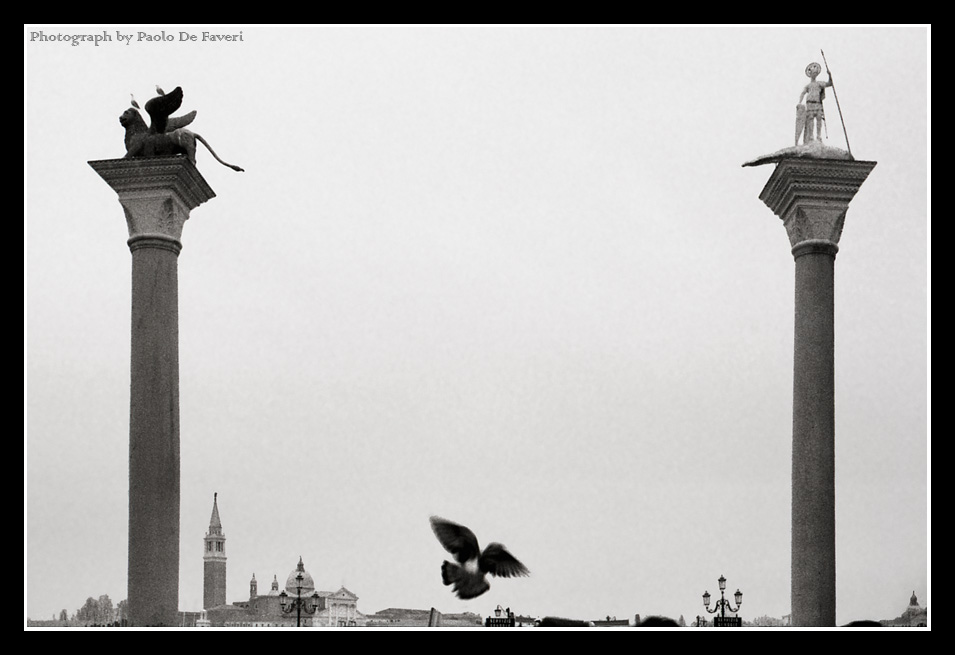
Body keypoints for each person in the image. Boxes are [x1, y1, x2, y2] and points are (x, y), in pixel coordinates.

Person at [797, 62, 833, 144]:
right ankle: (811, 137)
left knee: (819, 118)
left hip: (817, 103)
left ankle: (819, 136)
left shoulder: (819, 83)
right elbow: (802, 93)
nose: (814, 74)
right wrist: (799, 102)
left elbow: (829, 83)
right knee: (810, 120)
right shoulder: (808, 85)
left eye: (815, 72)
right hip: (810, 104)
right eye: (812, 72)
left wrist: (829, 75)